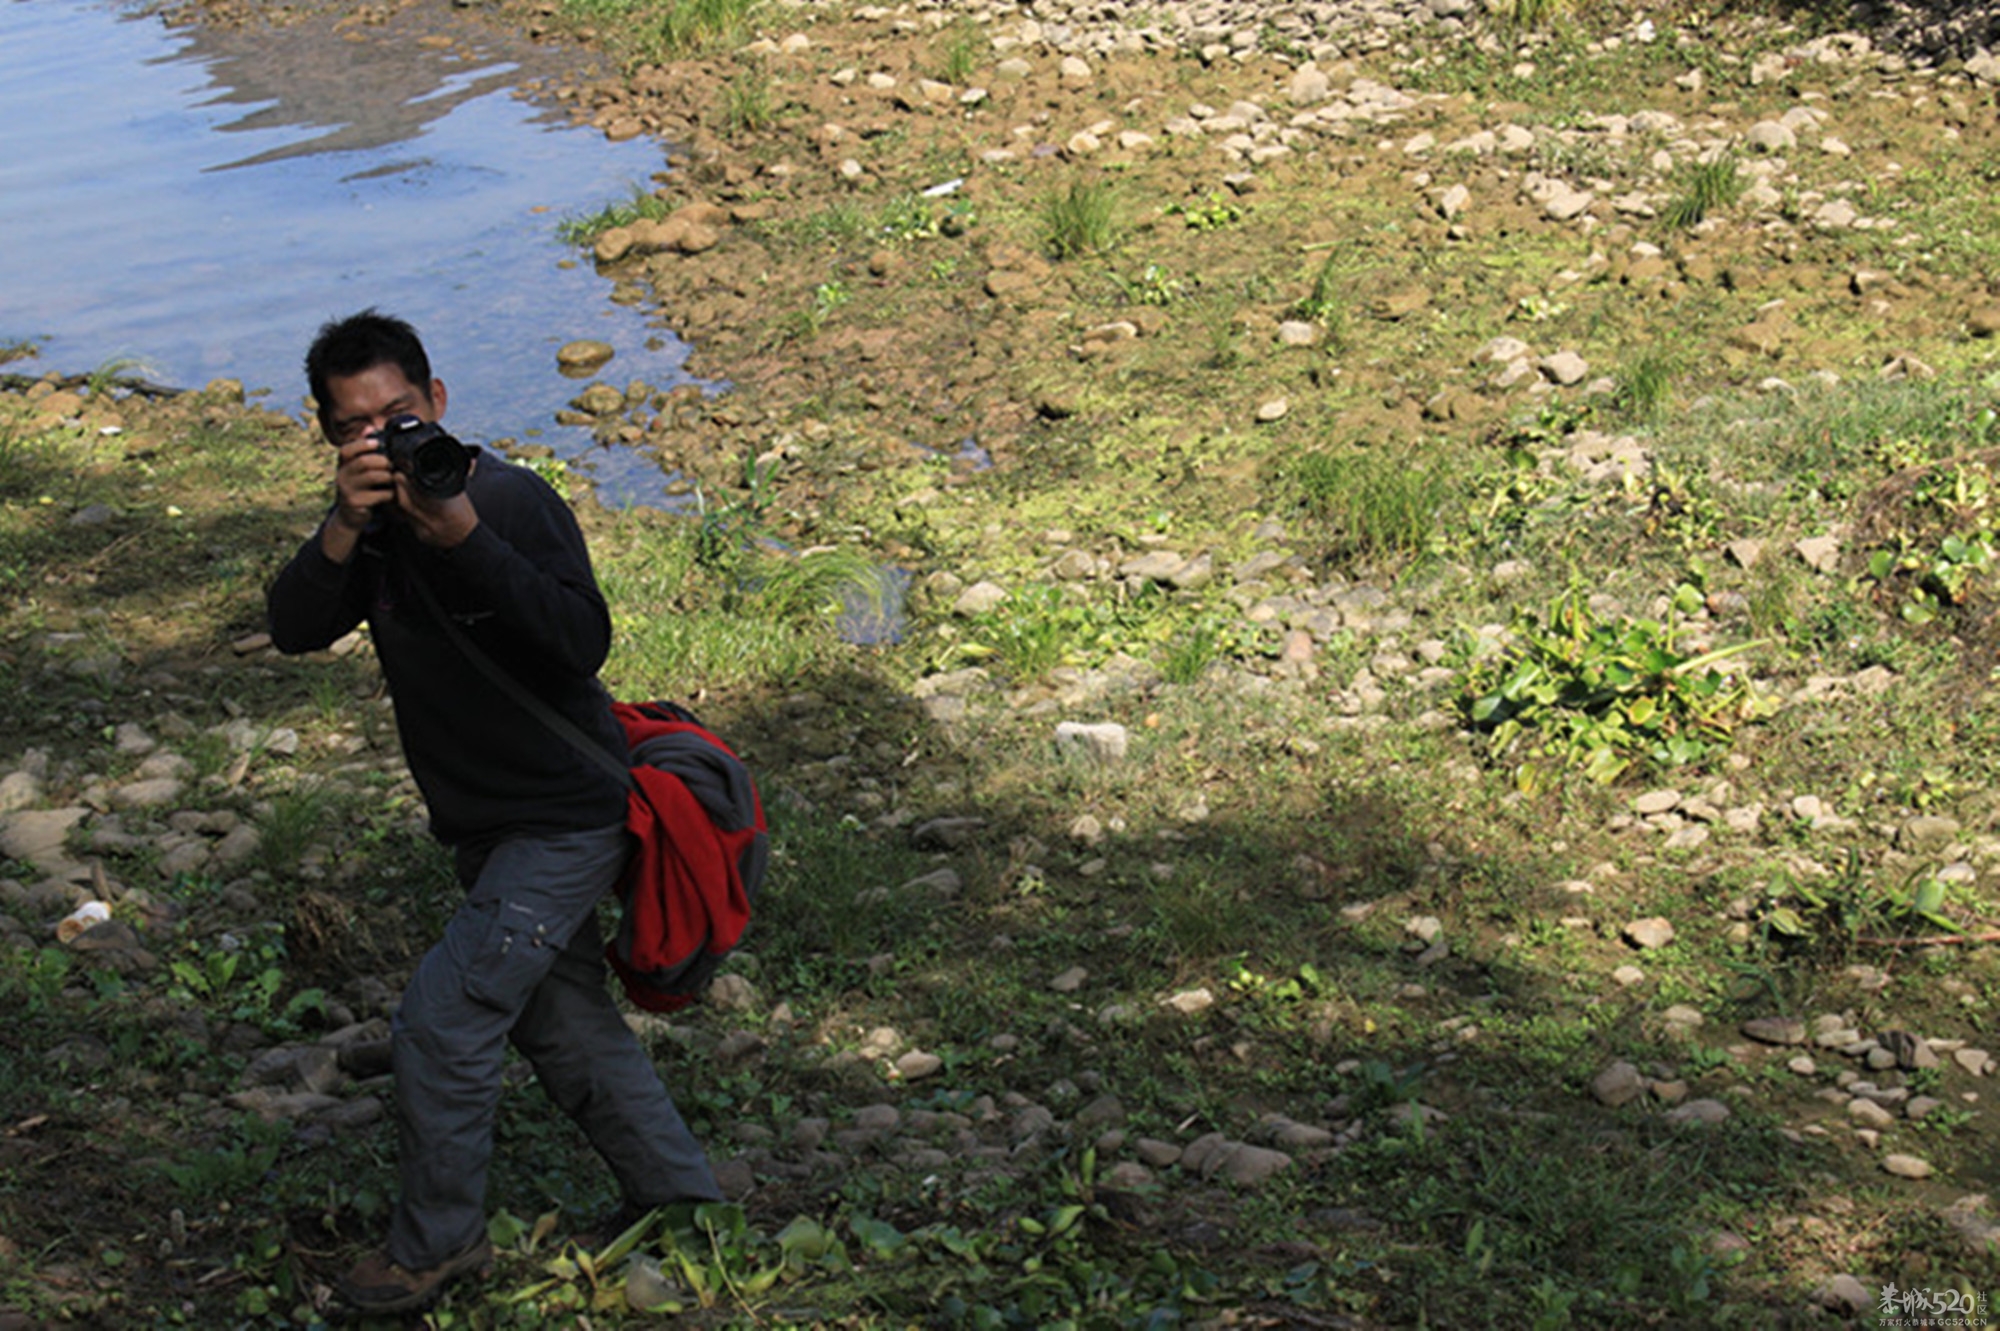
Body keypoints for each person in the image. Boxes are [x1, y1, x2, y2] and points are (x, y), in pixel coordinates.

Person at [266, 309, 722, 1315]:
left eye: (399, 415)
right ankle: (683, 1198)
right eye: (356, 428)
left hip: (564, 815)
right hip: (489, 826)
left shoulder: (510, 501)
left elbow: (579, 641)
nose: (386, 440)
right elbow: (293, 624)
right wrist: (344, 521)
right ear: (333, 440)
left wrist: (464, 536)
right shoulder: (370, 531)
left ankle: (437, 1248)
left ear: (438, 404)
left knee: (442, 1019)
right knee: (561, 1021)